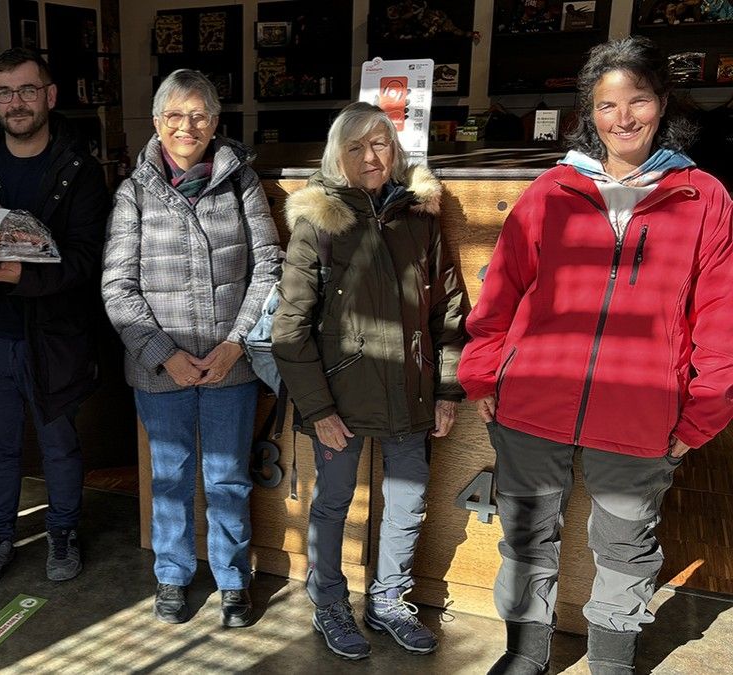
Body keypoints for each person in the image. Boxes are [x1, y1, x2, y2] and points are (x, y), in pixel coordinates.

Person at [458, 36, 733, 675]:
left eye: (638, 101)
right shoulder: (551, 192)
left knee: (625, 549)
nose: (624, 118)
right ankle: (525, 656)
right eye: (608, 105)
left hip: (640, 411)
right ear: (591, 111)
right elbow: (501, 290)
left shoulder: (704, 199)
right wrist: (482, 372)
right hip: (533, 400)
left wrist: (700, 416)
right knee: (526, 539)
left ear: (663, 104)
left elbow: (719, 319)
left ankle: (611, 663)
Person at [271, 101, 468, 659]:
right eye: (354, 147)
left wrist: (448, 389)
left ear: (395, 148)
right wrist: (318, 410)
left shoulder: (420, 218)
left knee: (408, 502)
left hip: (411, 392)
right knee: (333, 503)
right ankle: (329, 602)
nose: (369, 156)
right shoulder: (319, 222)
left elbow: (450, 310)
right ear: (338, 156)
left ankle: (388, 601)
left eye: (379, 143)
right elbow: (290, 328)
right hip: (338, 398)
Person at [102, 69, 280, 627]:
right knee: (171, 475)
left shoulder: (240, 180)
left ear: (215, 122)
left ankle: (233, 581)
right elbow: (117, 286)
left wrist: (235, 344)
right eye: (175, 116)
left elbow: (269, 269)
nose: (187, 126)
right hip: (162, 370)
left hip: (231, 364)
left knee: (228, 476)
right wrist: (163, 353)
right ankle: (173, 575)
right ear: (157, 123)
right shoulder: (133, 192)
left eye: (199, 115)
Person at [0, 48, 109, 589]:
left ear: (50, 96)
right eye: (5, 92)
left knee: (59, 443)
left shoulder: (78, 168)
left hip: (52, 336)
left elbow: (87, 258)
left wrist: (19, 276)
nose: (17, 103)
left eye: (28, 91)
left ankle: (63, 531)